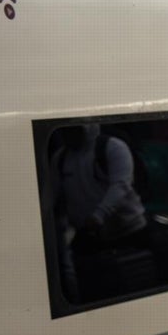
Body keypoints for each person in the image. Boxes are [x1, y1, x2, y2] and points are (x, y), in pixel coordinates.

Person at [50, 124, 151, 303]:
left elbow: (121, 185)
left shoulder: (113, 148)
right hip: (89, 236)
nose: (69, 134)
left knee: (158, 258)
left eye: (74, 129)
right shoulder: (61, 158)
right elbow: (54, 195)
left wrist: (98, 215)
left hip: (129, 230)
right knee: (89, 281)